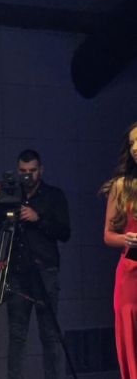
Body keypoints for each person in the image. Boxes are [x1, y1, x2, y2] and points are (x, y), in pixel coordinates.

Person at [0, 149, 71, 379]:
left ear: (41, 170)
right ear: (17, 170)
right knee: (17, 335)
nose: (28, 176)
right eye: (23, 171)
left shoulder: (53, 195)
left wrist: (37, 218)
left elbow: (64, 232)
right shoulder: (11, 193)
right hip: (17, 271)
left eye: (32, 171)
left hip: (45, 270)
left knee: (49, 334)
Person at [101, 121, 137, 379]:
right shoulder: (121, 185)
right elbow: (108, 235)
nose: (135, 148)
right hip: (131, 275)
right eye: (132, 143)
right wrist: (126, 239)